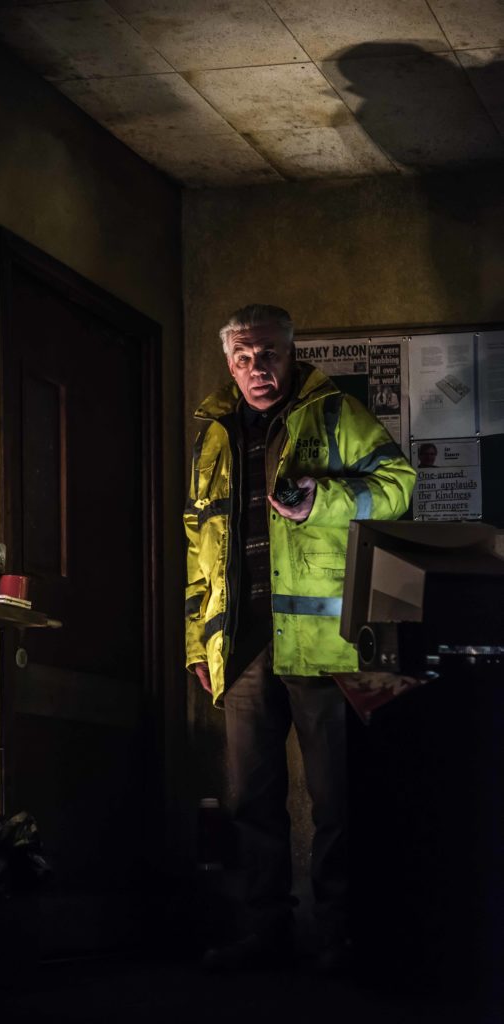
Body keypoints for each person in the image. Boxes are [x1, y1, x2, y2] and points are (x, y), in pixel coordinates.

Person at [184, 304, 416, 973]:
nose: (257, 367)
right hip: (240, 643)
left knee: (336, 799)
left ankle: (340, 937)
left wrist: (324, 499)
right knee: (249, 801)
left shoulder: (335, 414)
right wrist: (197, 642)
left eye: (269, 354)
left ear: (291, 353)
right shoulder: (213, 436)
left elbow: (400, 486)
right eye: (243, 357)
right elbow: (198, 544)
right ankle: (265, 932)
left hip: (323, 642)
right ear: (229, 364)